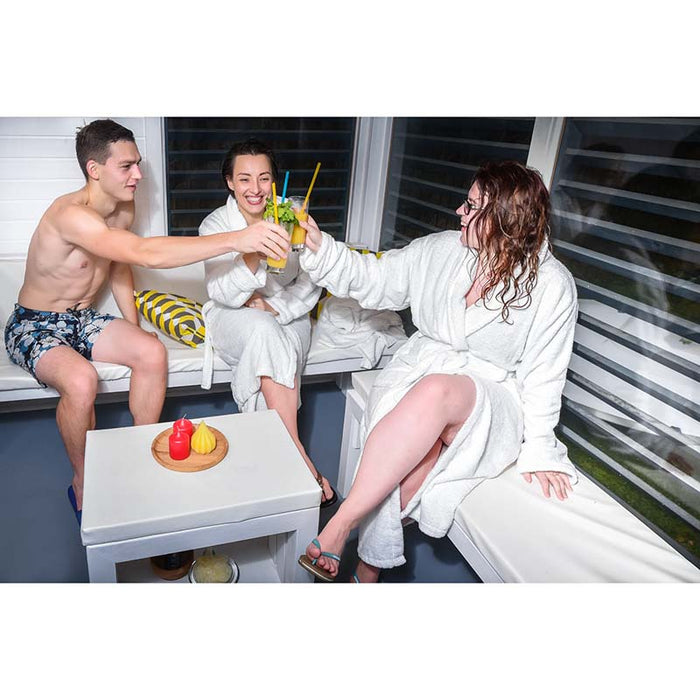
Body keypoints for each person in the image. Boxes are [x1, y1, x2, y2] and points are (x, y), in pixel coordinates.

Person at [296, 160, 579, 582]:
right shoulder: (444, 249)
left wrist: (539, 446)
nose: (459, 213)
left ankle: (340, 524)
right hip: (427, 376)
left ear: (505, 218)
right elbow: (376, 277)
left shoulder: (552, 285)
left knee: (435, 392)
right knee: (415, 457)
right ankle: (366, 574)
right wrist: (321, 247)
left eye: (471, 206)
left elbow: (545, 374)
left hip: (492, 398)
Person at [4, 120, 291, 521]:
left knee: (152, 352)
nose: (139, 175)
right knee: (82, 380)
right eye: (127, 167)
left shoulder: (123, 206)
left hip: (82, 317)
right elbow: (144, 253)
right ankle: (84, 481)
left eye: (138, 163)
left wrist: (133, 326)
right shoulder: (71, 216)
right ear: (94, 169)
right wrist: (235, 239)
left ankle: (141, 452)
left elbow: (120, 264)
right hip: (34, 323)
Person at [198, 139, 337, 507]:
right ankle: (297, 456)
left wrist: (280, 309)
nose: (255, 189)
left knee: (271, 331)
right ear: (230, 182)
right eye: (244, 179)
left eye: (263, 178)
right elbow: (222, 292)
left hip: (288, 317)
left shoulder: (290, 215)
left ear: (275, 182)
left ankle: (268, 474)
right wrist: (255, 253)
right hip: (231, 318)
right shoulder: (215, 224)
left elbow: (312, 279)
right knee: (261, 329)